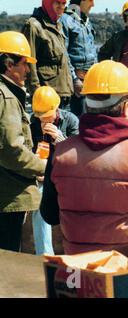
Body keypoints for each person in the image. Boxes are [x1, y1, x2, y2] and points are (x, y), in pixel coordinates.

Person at [40, 60, 128, 262]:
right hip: (127, 273)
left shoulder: (60, 154)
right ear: (125, 107)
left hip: (79, 272)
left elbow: (50, 215)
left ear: (87, 104)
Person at [0, 31, 46, 252]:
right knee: (8, 260)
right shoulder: (7, 97)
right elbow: (12, 149)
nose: (28, 70)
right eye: (24, 63)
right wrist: (43, 166)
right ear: (9, 65)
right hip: (9, 196)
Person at [30, 86, 79, 255]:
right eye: (40, 117)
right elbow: (31, 152)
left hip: (67, 176)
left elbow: (77, 155)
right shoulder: (33, 123)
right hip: (44, 176)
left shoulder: (71, 120)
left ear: (56, 109)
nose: (44, 120)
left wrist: (59, 138)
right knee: (38, 200)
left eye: (46, 116)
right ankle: (45, 256)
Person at [22, 0, 73, 110]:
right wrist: (37, 93)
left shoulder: (58, 24)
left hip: (63, 94)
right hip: (46, 98)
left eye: (64, 4)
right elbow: (29, 62)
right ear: (48, 3)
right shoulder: (33, 26)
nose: (61, 7)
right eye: (57, 3)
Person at [60, 0, 97, 116]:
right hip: (75, 85)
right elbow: (63, 54)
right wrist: (75, 79)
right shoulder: (64, 20)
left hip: (88, 82)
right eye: (91, 1)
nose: (93, 5)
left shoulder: (86, 22)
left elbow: (92, 52)